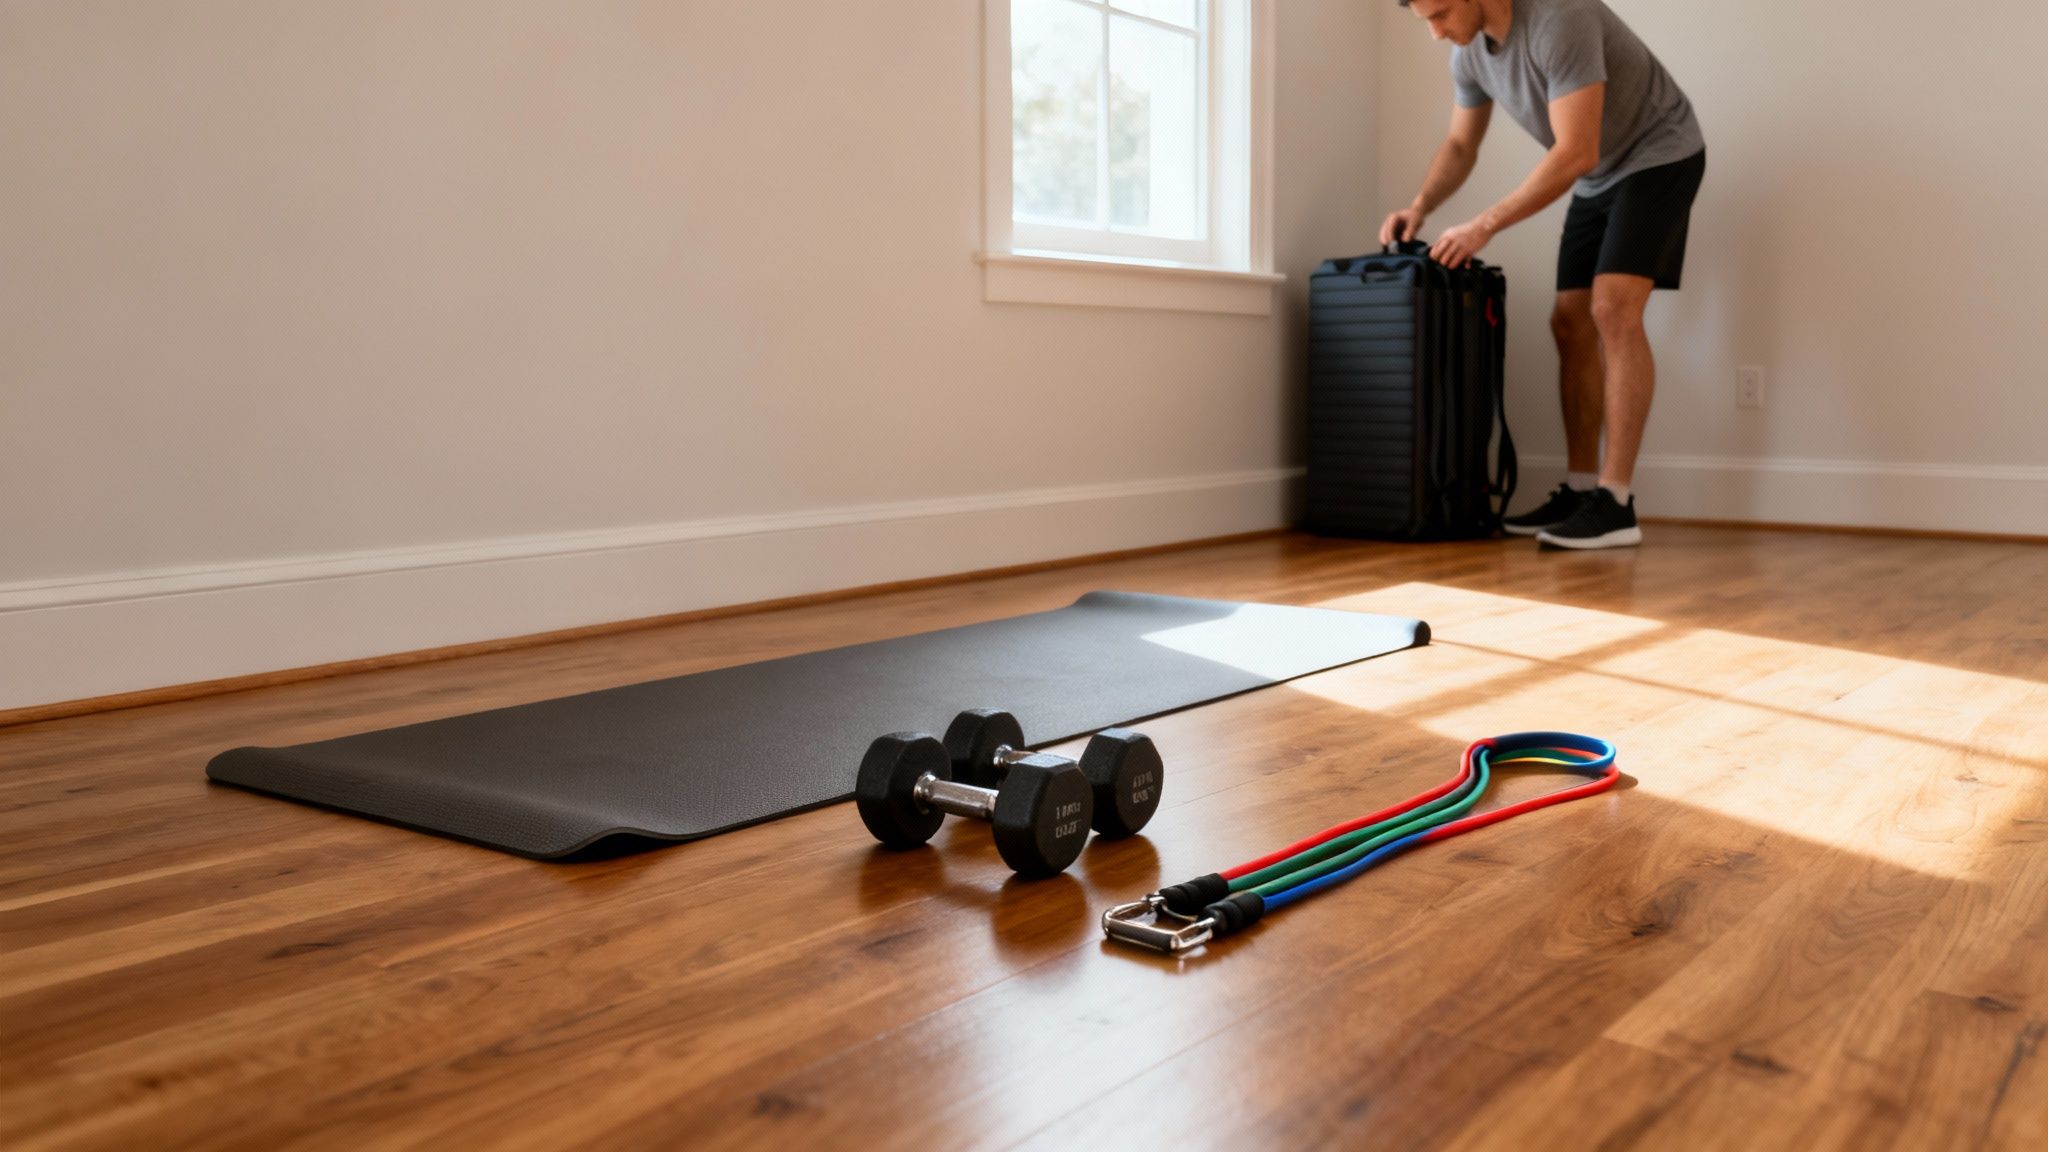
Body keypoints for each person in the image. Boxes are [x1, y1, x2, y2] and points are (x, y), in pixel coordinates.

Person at [1384, 0, 1704, 550]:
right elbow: (1462, 144)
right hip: (1600, 174)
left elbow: (1575, 149)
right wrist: (1421, 206)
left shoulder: (1562, 18)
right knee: (1568, 322)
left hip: (1659, 152)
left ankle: (1617, 501)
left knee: (1612, 307)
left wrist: (1484, 225)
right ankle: (1582, 490)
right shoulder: (1469, 54)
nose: (1436, 33)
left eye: (1438, 15)